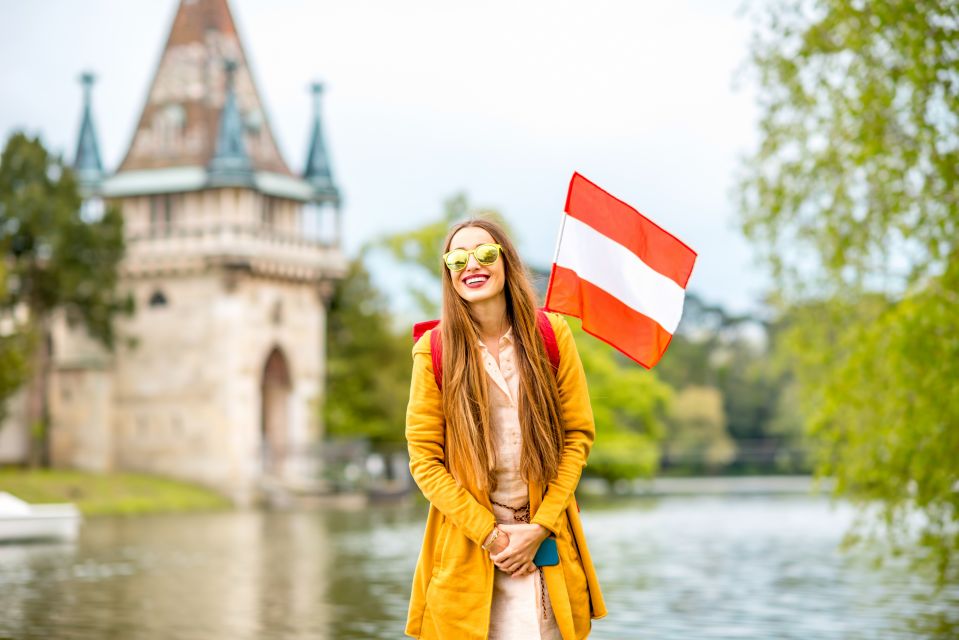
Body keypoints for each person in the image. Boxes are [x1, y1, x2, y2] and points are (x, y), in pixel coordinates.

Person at [404, 217, 607, 640]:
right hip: (471, 552)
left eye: (484, 253)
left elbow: (576, 437)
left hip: (545, 547)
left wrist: (540, 527)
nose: (471, 264)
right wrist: (493, 538)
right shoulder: (433, 351)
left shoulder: (552, 335)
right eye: (458, 258)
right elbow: (424, 461)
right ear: (449, 273)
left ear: (505, 260)